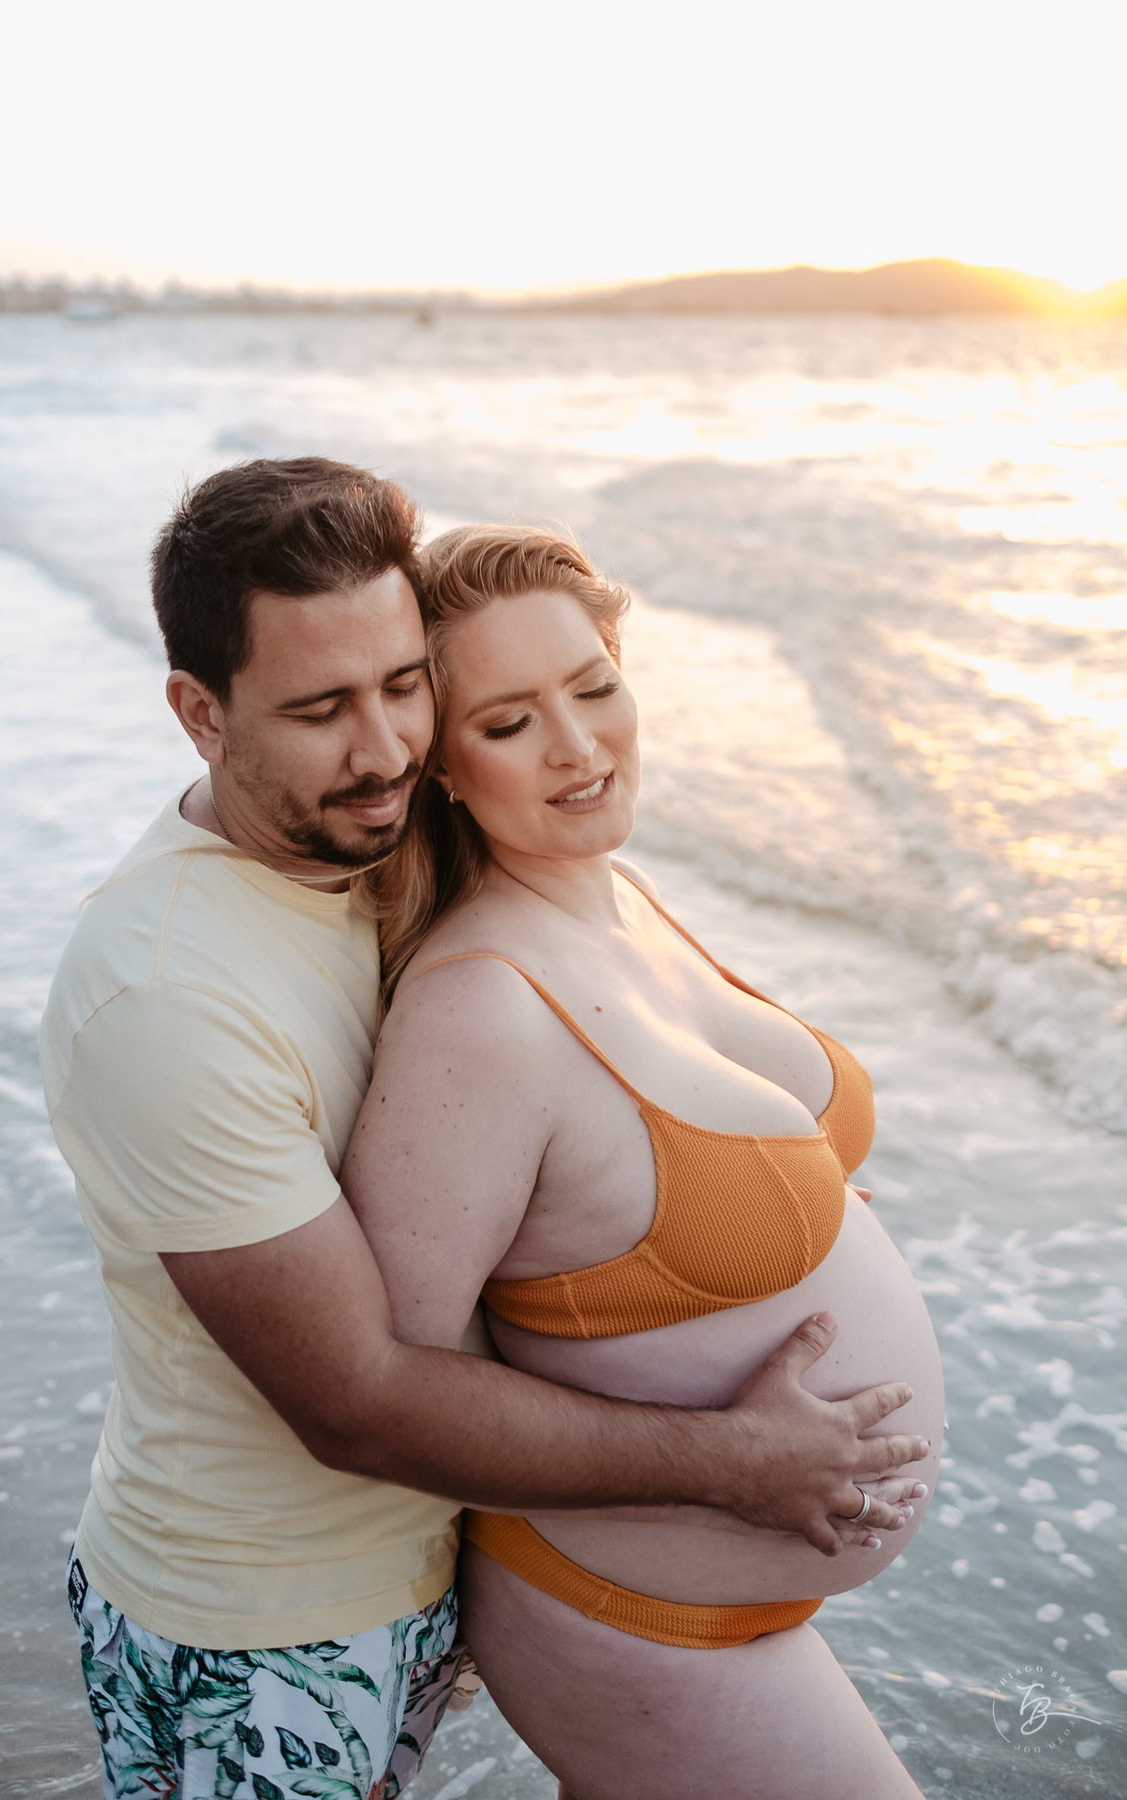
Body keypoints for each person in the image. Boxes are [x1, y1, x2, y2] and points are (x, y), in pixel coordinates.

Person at [41, 460, 929, 1800]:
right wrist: (734, 1462)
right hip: (270, 1620)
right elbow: (362, 1395)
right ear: (199, 715)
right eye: (323, 707)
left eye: (404, 687)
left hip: (428, 1582)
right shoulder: (170, 991)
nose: (386, 745)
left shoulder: (400, 876)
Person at [342, 522, 945, 1800]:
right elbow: (390, 1386)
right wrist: (729, 1460)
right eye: (508, 723)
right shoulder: (482, 1010)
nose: (575, 745)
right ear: (439, 766)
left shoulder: (615, 888)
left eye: (595, 687)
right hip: (633, 1621)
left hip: (733, 1587)